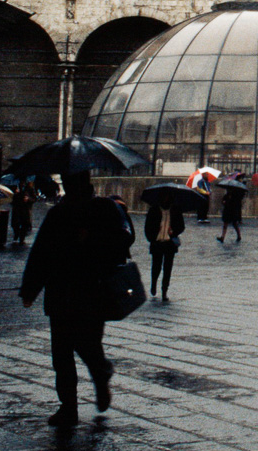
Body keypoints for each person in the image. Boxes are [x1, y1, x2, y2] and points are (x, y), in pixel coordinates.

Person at [20, 172, 133, 427]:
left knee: (83, 345)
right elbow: (41, 253)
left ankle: (96, 378)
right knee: (64, 351)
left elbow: (125, 237)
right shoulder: (59, 213)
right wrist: (30, 288)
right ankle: (71, 403)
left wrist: (92, 237)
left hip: (90, 289)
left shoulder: (104, 208)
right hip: (67, 290)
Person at [144, 192, 184, 301]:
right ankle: (154, 284)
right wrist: (152, 238)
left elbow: (181, 226)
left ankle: (164, 290)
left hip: (169, 243)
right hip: (157, 242)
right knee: (156, 266)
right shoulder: (154, 210)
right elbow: (148, 226)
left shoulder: (175, 210)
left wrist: (173, 231)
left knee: (167, 268)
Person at [10, 180, 36, 246]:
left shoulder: (29, 188)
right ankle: (16, 235)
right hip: (17, 208)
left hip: (25, 209)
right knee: (15, 224)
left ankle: (22, 239)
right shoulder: (14, 187)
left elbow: (34, 198)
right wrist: (15, 194)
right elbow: (10, 199)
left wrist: (28, 199)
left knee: (25, 224)